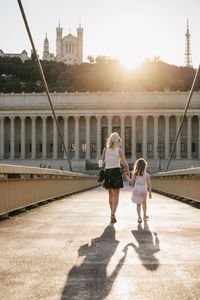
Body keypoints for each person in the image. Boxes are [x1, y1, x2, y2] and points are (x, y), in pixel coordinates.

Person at [100, 132, 130, 224]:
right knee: (116, 195)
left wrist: (101, 168)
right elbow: (124, 163)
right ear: (117, 141)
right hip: (116, 172)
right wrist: (128, 171)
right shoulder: (119, 150)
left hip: (108, 172)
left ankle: (112, 213)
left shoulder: (105, 150)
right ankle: (113, 214)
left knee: (111, 195)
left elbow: (101, 161)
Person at [126, 158, 152, 223]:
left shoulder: (135, 174)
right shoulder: (147, 175)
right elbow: (149, 184)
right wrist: (150, 193)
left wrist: (127, 177)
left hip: (136, 191)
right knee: (144, 203)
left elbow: (131, 181)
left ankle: (139, 217)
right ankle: (144, 215)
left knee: (138, 204)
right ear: (145, 166)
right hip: (143, 191)